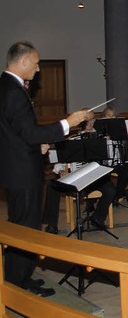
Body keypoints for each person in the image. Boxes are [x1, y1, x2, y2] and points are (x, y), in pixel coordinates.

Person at [0, 41, 89, 297]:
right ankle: (17, 284)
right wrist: (67, 122)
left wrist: (33, 145)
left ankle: (22, 277)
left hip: (15, 164)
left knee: (22, 225)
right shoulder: (14, 91)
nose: (38, 69)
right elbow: (28, 131)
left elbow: (13, 132)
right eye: (37, 63)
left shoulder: (5, 85)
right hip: (21, 172)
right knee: (25, 229)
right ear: (25, 61)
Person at [42, 114, 117, 234]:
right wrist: (61, 170)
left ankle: (97, 218)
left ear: (94, 121)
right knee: (52, 186)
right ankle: (52, 224)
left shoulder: (102, 138)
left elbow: (111, 158)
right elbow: (60, 160)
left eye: (91, 120)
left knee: (111, 189)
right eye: (85, 120)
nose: (88, 122)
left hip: (95, 177)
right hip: (75, 177)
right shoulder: (73, 139)